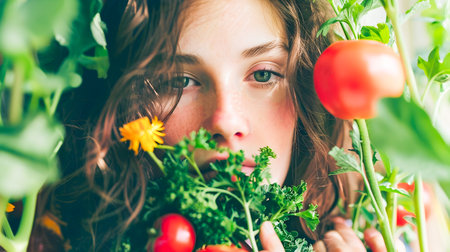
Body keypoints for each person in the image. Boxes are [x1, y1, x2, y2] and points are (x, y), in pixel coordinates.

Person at [28, 0, 405, 251]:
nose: (225, 121)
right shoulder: (39, 233)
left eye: (263, 74)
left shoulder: (397, 226)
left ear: (309, 89)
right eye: (179, 82)